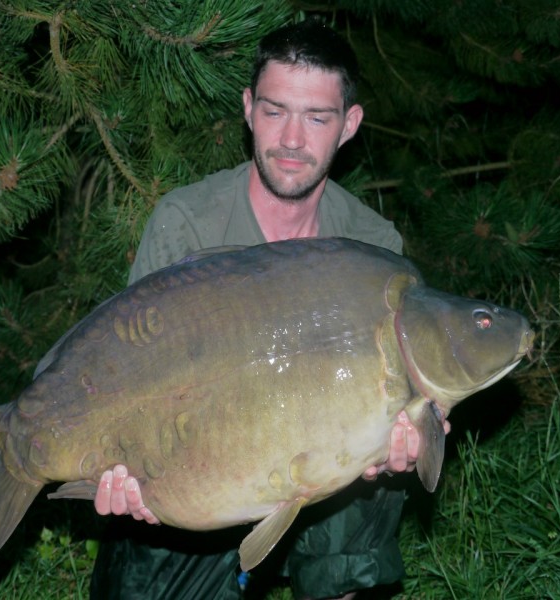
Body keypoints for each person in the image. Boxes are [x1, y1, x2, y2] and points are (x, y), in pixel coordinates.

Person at [89, 19, 450, 600]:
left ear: (349, 126)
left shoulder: (372, 246)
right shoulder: (186, 225)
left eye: (316, 118)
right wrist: (124, 469)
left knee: (374, 463)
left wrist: (394, 448)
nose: (291, 139)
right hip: (208, 473)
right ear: (249, 109)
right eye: (276, 111)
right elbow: (128, 376)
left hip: (321, 475)